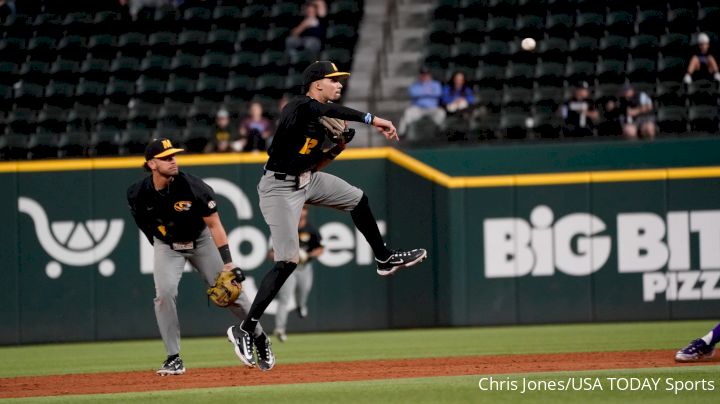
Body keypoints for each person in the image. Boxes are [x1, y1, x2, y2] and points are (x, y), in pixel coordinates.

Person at [226, 61, 428, 367]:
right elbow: (335, 113)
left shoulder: (318, 122)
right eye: (334, 80)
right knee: (287, 261)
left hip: (307, 180)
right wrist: (374, 120)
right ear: (316, 84)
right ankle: (246, 329)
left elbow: (313, 165)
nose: (339, 85)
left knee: (358, 199)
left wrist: (336, 148)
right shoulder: (299, 107)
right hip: (279, 188)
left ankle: (384, 258)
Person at [127, 138, 276, 374]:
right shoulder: (137, 193)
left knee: (231, 292)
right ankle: (173, 357)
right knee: (164, 294)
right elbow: (144, 224)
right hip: (167, 246)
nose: (173, 160)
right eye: (166, 157)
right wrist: (158, 245)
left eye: (174, 155)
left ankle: (258, 338)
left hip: (201, 240)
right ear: (152, 164)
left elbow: (215, 226)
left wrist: (228, 263)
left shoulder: (194, 187)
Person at [271, 206, 324, 342]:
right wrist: (285, 256)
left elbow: (320, 248)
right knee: (284, 298)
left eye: (304, 209)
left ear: (307, 212)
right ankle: (280, 329)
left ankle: (301, 305)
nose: (302, 212)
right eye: (300, 209)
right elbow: (271, 252)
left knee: (304, 291)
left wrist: (307, 255)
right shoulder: (286, 229)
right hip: (289, 269)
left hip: (304, 267)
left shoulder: (311, 230)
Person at [398, 66, 446, 139]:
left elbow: (438, 93)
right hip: (418, 109)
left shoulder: (435, 84)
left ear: (429, 75)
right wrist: (429, 93)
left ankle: (440, 131)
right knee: (407, 113)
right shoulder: (415, 85)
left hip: (432, 109)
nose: (425, 76)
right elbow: (413, 93)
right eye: (423, 74)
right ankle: (402, 133)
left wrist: (422, 93)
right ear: (420, 75)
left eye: (426, 74)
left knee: (441, 112)